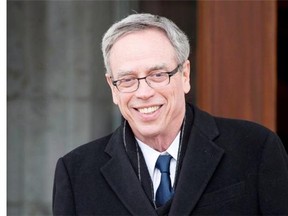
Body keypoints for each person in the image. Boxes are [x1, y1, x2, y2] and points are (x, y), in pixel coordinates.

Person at [53, 13, 288, 215]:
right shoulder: (76, 173)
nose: (143, 92)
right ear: (112, 87)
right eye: (127, 80)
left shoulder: (255, 148)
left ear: (184, 75)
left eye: (157, 75)